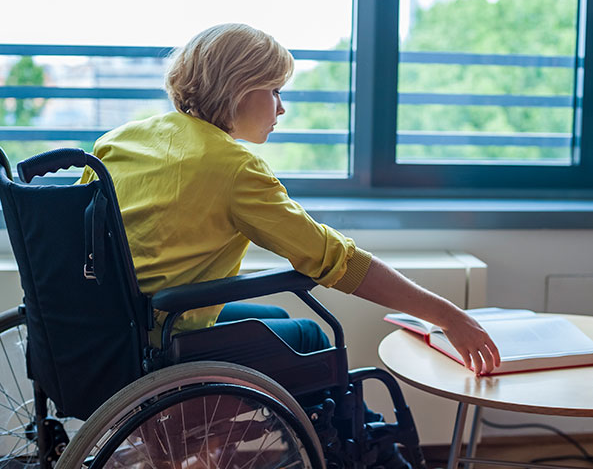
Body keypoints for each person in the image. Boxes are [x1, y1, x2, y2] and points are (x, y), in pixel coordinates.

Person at [80, 23, 500, 468]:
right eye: (275, 90)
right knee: (310, 337)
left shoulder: (121, 140)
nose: (282, 108)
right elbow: (335, 261)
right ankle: (378, 456)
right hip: (162, 339)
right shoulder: (231, 167)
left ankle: (220, 447)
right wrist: (447, 316)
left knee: (276, 317)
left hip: (105, 331)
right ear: (240, 89)